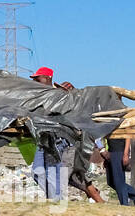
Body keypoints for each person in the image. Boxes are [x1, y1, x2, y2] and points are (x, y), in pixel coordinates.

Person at [28, 66, 105, 203]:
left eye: (37, 78)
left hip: (58, 140)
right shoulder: (41, 96)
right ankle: (55, 198)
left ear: (47, 78)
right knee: (37, 172)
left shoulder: (64, 99)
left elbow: (85, 122)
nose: (35, 81)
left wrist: (100, 146)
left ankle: (55, 201)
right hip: (43, 139)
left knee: (55, 174)